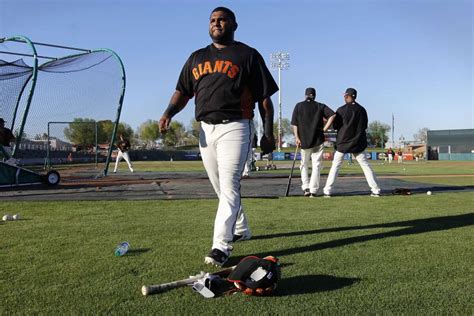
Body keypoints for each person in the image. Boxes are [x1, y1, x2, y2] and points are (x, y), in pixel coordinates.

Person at [158, 7, 278, 266]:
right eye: (212, 20)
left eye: (222, 19)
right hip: (206, 129)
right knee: (220, 188)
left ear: (234, 24)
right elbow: (182, 91)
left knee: (229, 186)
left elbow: (265, 100)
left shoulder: (247, 55)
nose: (217, 23)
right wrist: (168, 112)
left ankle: (221, 246)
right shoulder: (196, 57)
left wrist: (268, 134)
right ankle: (242, 229)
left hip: (236, 125)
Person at [323, 88, 381, 197]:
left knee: (335, 166)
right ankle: (376, 190)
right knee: (366, 166)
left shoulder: (341, 110)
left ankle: (327, 191)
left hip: (343, 142)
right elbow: (364, 126)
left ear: (347, 96)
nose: (344, 97)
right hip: (358, 143)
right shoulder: (362, 109)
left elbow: (335, 126)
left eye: (345, 95)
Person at [291, 87, 335, 197]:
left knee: (304, 164)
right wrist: (324, 129)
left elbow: (294, 124)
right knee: (317, 165)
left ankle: (306, 187)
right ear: (314, 95)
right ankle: (313, 190)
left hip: (304, 140)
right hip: (318, 140)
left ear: (305, 95)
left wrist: (297, 137)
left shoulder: (299, 106)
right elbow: (332, 115)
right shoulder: (320, 105)